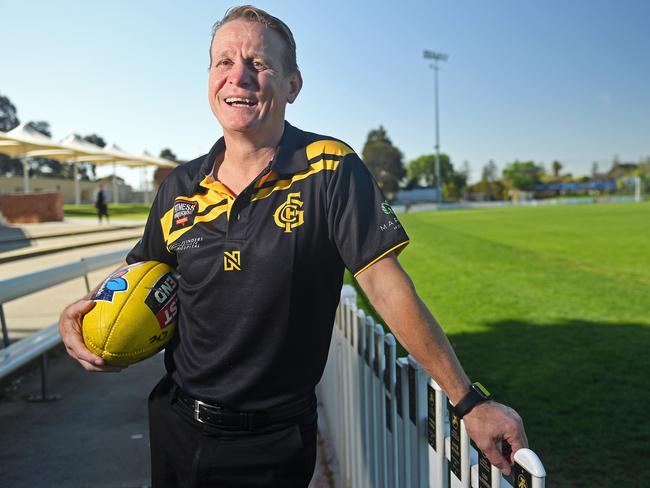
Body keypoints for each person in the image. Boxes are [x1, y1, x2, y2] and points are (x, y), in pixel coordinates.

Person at [59, 5, 528, 487]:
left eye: (258, 64)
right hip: (176, 423)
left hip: (272, 442)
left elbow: (386, 287)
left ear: (292, 86)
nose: (237, 77)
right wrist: (83, 317)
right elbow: (142, 271)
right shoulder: (180, 185)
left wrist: (468, 401)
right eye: (223, 62)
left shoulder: (330, 168)